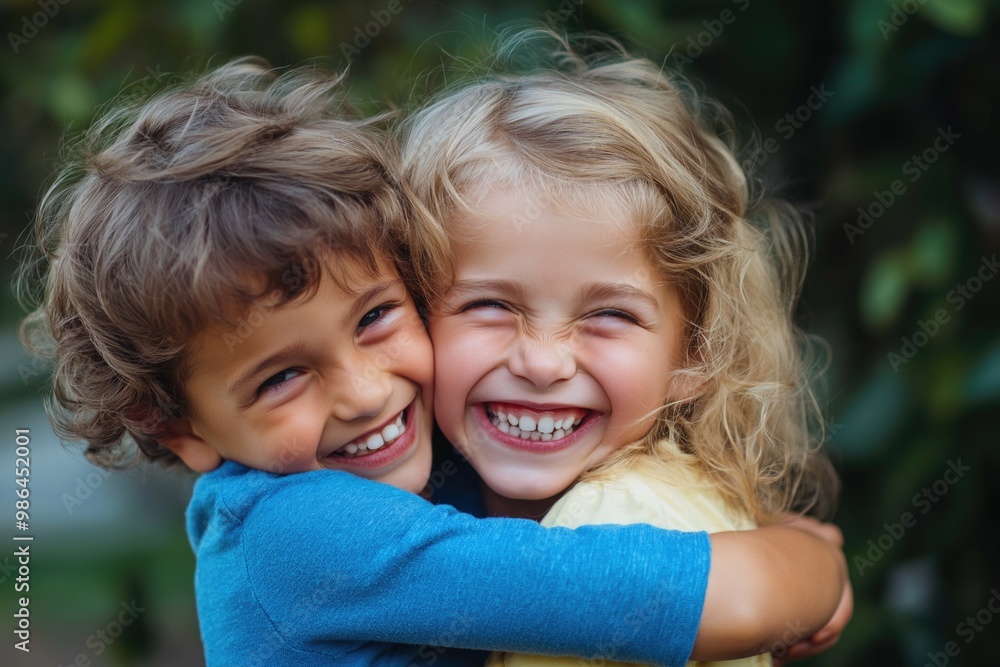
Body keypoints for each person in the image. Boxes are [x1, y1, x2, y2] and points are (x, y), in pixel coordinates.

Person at [19, 58, 848, 667]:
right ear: (178, 428)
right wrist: (816, 566)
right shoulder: (303, 532)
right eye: (281, 377)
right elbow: (721, 601)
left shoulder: (406, 475)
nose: (367, 391)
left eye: (377, 318)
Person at [399, 29, 845, 666]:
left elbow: (743, 603)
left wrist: (815, 567)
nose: (543, 362)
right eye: (490, 305)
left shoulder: (617, 517)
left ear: (695, 353)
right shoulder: (426, 495)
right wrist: (816, 564)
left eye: (608, 315)